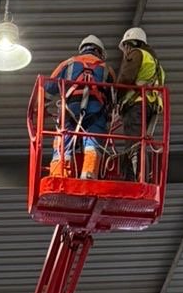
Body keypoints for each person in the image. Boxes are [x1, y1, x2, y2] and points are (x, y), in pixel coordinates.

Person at [43, 34, 111, 180]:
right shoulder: (107, 70)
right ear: (99, 52)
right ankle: (88, 176)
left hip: (70, 110)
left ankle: (59, 176)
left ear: (82, 50)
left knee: (63, 142)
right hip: (95, 112)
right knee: (93, 143)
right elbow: (114, 97)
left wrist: (41, 109)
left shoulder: (68, 64)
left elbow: (48, 88)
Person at [112, 25, 165, 180]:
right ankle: (140, 176)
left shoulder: (136, 54)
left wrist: (116, 99)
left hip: (137, 105)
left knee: (134, 143)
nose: (126, 52)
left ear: (130, 44)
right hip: (150, 106)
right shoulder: (156, 64)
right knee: (140, 142)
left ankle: (135, 178)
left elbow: (125, 79)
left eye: (126, 47)